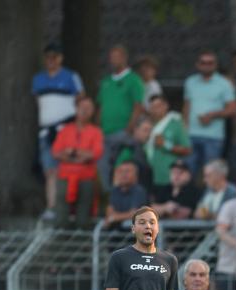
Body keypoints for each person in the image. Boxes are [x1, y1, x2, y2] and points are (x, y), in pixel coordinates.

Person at [32, 42, 84, 220]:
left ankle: (70, 207)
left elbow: (80, 99)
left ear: (60, 59)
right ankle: (52, 206)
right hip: (47, 130)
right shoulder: (38, 79)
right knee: (49, 170)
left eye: (55, 57)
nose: (51, 61)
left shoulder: (71, 77)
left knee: (68, 168)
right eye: (48, 58)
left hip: (65, 128)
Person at [97, 45, 145, 191]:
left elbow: (138, 105)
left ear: (124, 58)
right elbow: (100, 106)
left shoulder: (134, 80)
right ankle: (108, 196)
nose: (113, 60)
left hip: (123, 132)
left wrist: (130, 126)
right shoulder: (106, 81)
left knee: (123, 164)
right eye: (111, 57)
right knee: (102, 166)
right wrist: (98, 127)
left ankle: (129, 195)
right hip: (105, 133)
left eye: (117, 56)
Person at [183, 50, 236, 176]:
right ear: (197, 64)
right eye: (203, 63)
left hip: (213, 136)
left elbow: (233, 108)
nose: (207, 65)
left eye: (210, 63)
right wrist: (184, 130)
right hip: (191, 134)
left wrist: (213, 115)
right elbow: (186, 107)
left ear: (215, 65)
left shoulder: (224, 84)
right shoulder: (190, 82)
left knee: (211, 172)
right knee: (188, 171)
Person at [51, 96, 103, 229]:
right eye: (82, 108)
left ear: (93, 111)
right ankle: (61, 242)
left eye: (88, 108)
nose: (85, 111)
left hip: (86, 177)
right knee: (61, 214)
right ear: (76, 109)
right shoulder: (65, 130)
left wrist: (71, 153)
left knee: (84, 215)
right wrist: (82, 155)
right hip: (65, 177)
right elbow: (56, 152)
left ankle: (82, 244)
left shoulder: (96, 132)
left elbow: (95, 153)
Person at [147, 95, 191, 195]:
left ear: (166, 106)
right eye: (152, 107)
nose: (155, 109)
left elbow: (187, 150)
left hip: (168, 178)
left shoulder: (175, 123)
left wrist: (166, 144)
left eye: (158, 106)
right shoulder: (147, 124)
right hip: (150, 175)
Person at [105, 161, 148, 228]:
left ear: (136, 175)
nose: (124, 174)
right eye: (120, 171)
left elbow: (134, 214)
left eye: (128, 171)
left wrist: (114, 218)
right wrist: (113, 217)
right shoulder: (114, 191)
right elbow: (109, 211)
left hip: (133, 233)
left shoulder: (139, 191)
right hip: (115, 232)